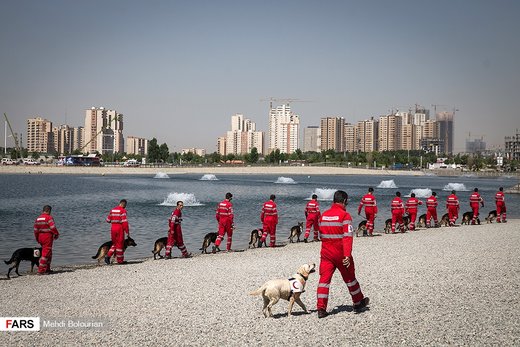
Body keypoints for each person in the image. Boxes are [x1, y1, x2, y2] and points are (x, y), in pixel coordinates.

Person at [316, 190, 369, 318]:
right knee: (350, 278)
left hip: (326, 254)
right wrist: (347, 255)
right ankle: (358, 302)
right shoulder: (345, 216)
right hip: (340, 253)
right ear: (344, 201)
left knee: (324, 281)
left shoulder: (324, 215)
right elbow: (347, 237)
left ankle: (321, 309)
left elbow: (320, 235)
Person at [33, 205, 59, 274]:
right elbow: (53, 227)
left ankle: (47, 268)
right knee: (46, 253)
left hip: (40, 237)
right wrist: (56, 234)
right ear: (49, 211)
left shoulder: (38, 218)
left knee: (49, 253)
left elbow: (35, 230)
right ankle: (41, 270)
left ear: (43, 210)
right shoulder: (49, 218)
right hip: (47, 237)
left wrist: (37, 238)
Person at [105, 199, 129, 264]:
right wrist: (127, 231)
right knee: (120, 245)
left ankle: (108, 256)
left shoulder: (112, 210)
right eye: (125, 205)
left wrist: (113, 220)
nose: (125, 207)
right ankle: (120, 260)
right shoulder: (123, 211)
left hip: (113, 228)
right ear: (124, 204)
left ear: (120, 203)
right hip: (119, 229)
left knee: (115, 243)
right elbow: (125, 222)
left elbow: (107, 220)